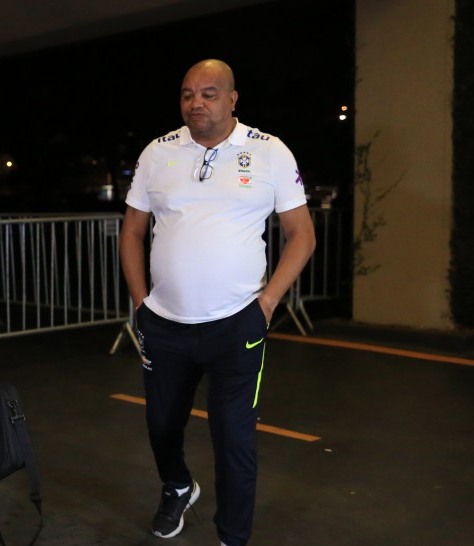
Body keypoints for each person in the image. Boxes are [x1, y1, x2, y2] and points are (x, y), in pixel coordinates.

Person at [120, 59, 316, 546]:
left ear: (232, 99)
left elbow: (302, 235)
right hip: (164, 324)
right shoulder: (157, 152)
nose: (196, 103)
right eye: (187, 94)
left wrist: (267, 303)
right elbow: (132, 231)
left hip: (236, 325)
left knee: (234, 437)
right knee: (162, 425)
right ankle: (178, 486)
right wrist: (141, 304)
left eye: (209, 93)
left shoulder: (269, 152)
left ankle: (232, 537)